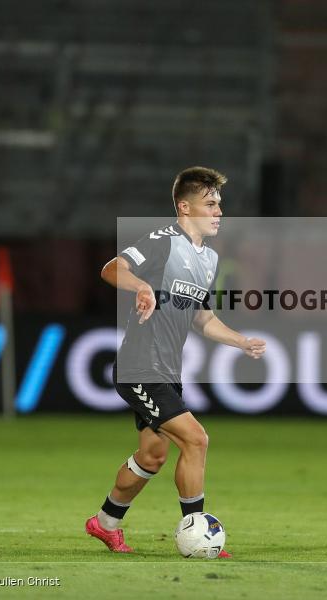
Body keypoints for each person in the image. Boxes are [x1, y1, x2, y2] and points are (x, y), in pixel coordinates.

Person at [86, 166, 266, 556]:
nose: (218, 211)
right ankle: (197, 531)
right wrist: (142, 285)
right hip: (140, 366)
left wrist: (240, 341)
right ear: (184, 208)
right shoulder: (163, 241)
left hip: (167, 371)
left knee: (152, 456)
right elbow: (112, 268)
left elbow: (203, 318)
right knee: (196, 439)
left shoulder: (209, 260)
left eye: (219, 204)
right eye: (209, 204)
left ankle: (104, 523)